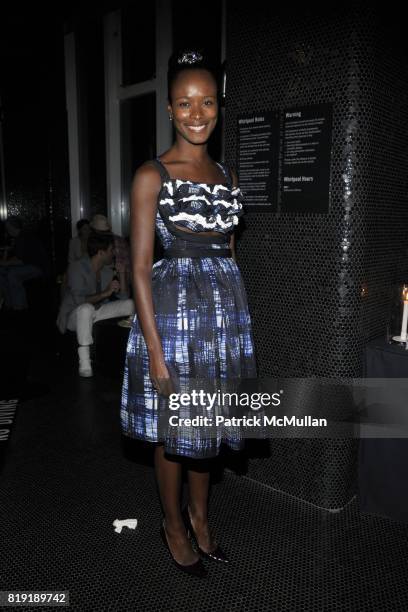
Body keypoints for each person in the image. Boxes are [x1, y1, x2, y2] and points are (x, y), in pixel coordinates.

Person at [120, 49, 257, 577]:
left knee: (209, 428)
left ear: (219, 107)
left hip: (222, 317)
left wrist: (235, 325)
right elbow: (137, 270)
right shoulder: (152, 175)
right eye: (184, 103)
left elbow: (229, 253)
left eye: (207, 102)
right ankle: (173, 525)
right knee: (176, 433)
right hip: (174, 319)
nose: (196, 113)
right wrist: (156, 354)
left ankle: (202, 518)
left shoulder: (225, 174)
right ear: (170, 109)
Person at [57, 231, 134, 377]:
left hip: (96, 311)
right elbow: (79, 300)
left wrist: (122, 273)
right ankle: (85, 360)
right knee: (86, 308)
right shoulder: (77, 267)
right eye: (111, 250)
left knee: (131, 304)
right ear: (101, 252)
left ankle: (127, 347)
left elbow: (123, 296)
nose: (114, 253)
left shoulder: (106, 270)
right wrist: (105, 293)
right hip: (74, 315)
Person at [0, 216, 49, 310]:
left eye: (7, 227)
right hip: (29, 264)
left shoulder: (24, 236)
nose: (6, 229)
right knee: (2, 272)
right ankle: (8, 302)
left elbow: (23, 260)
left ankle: (19, 306)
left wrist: (6, 263)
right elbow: (19, 256)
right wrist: (5, 262)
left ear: (12, 226)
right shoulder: (18, 237)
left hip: (39, 267)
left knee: (12, 274)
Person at [90, 214, 131, 289]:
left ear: (95, 230)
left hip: (115, 282)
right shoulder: (120, 239)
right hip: (126, 281)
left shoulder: (104, 244)